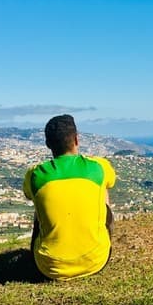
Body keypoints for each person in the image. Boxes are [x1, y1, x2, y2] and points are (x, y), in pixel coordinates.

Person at [22, 114, 116, 280]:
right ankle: (92, 242)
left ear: (48, 144)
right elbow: (111, 182)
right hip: (96, 260)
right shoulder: (99, 166)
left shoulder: (35, 173)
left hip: (49, 267)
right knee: (102, 189)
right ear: (76, 139)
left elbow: (28, 195)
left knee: (40, 202)